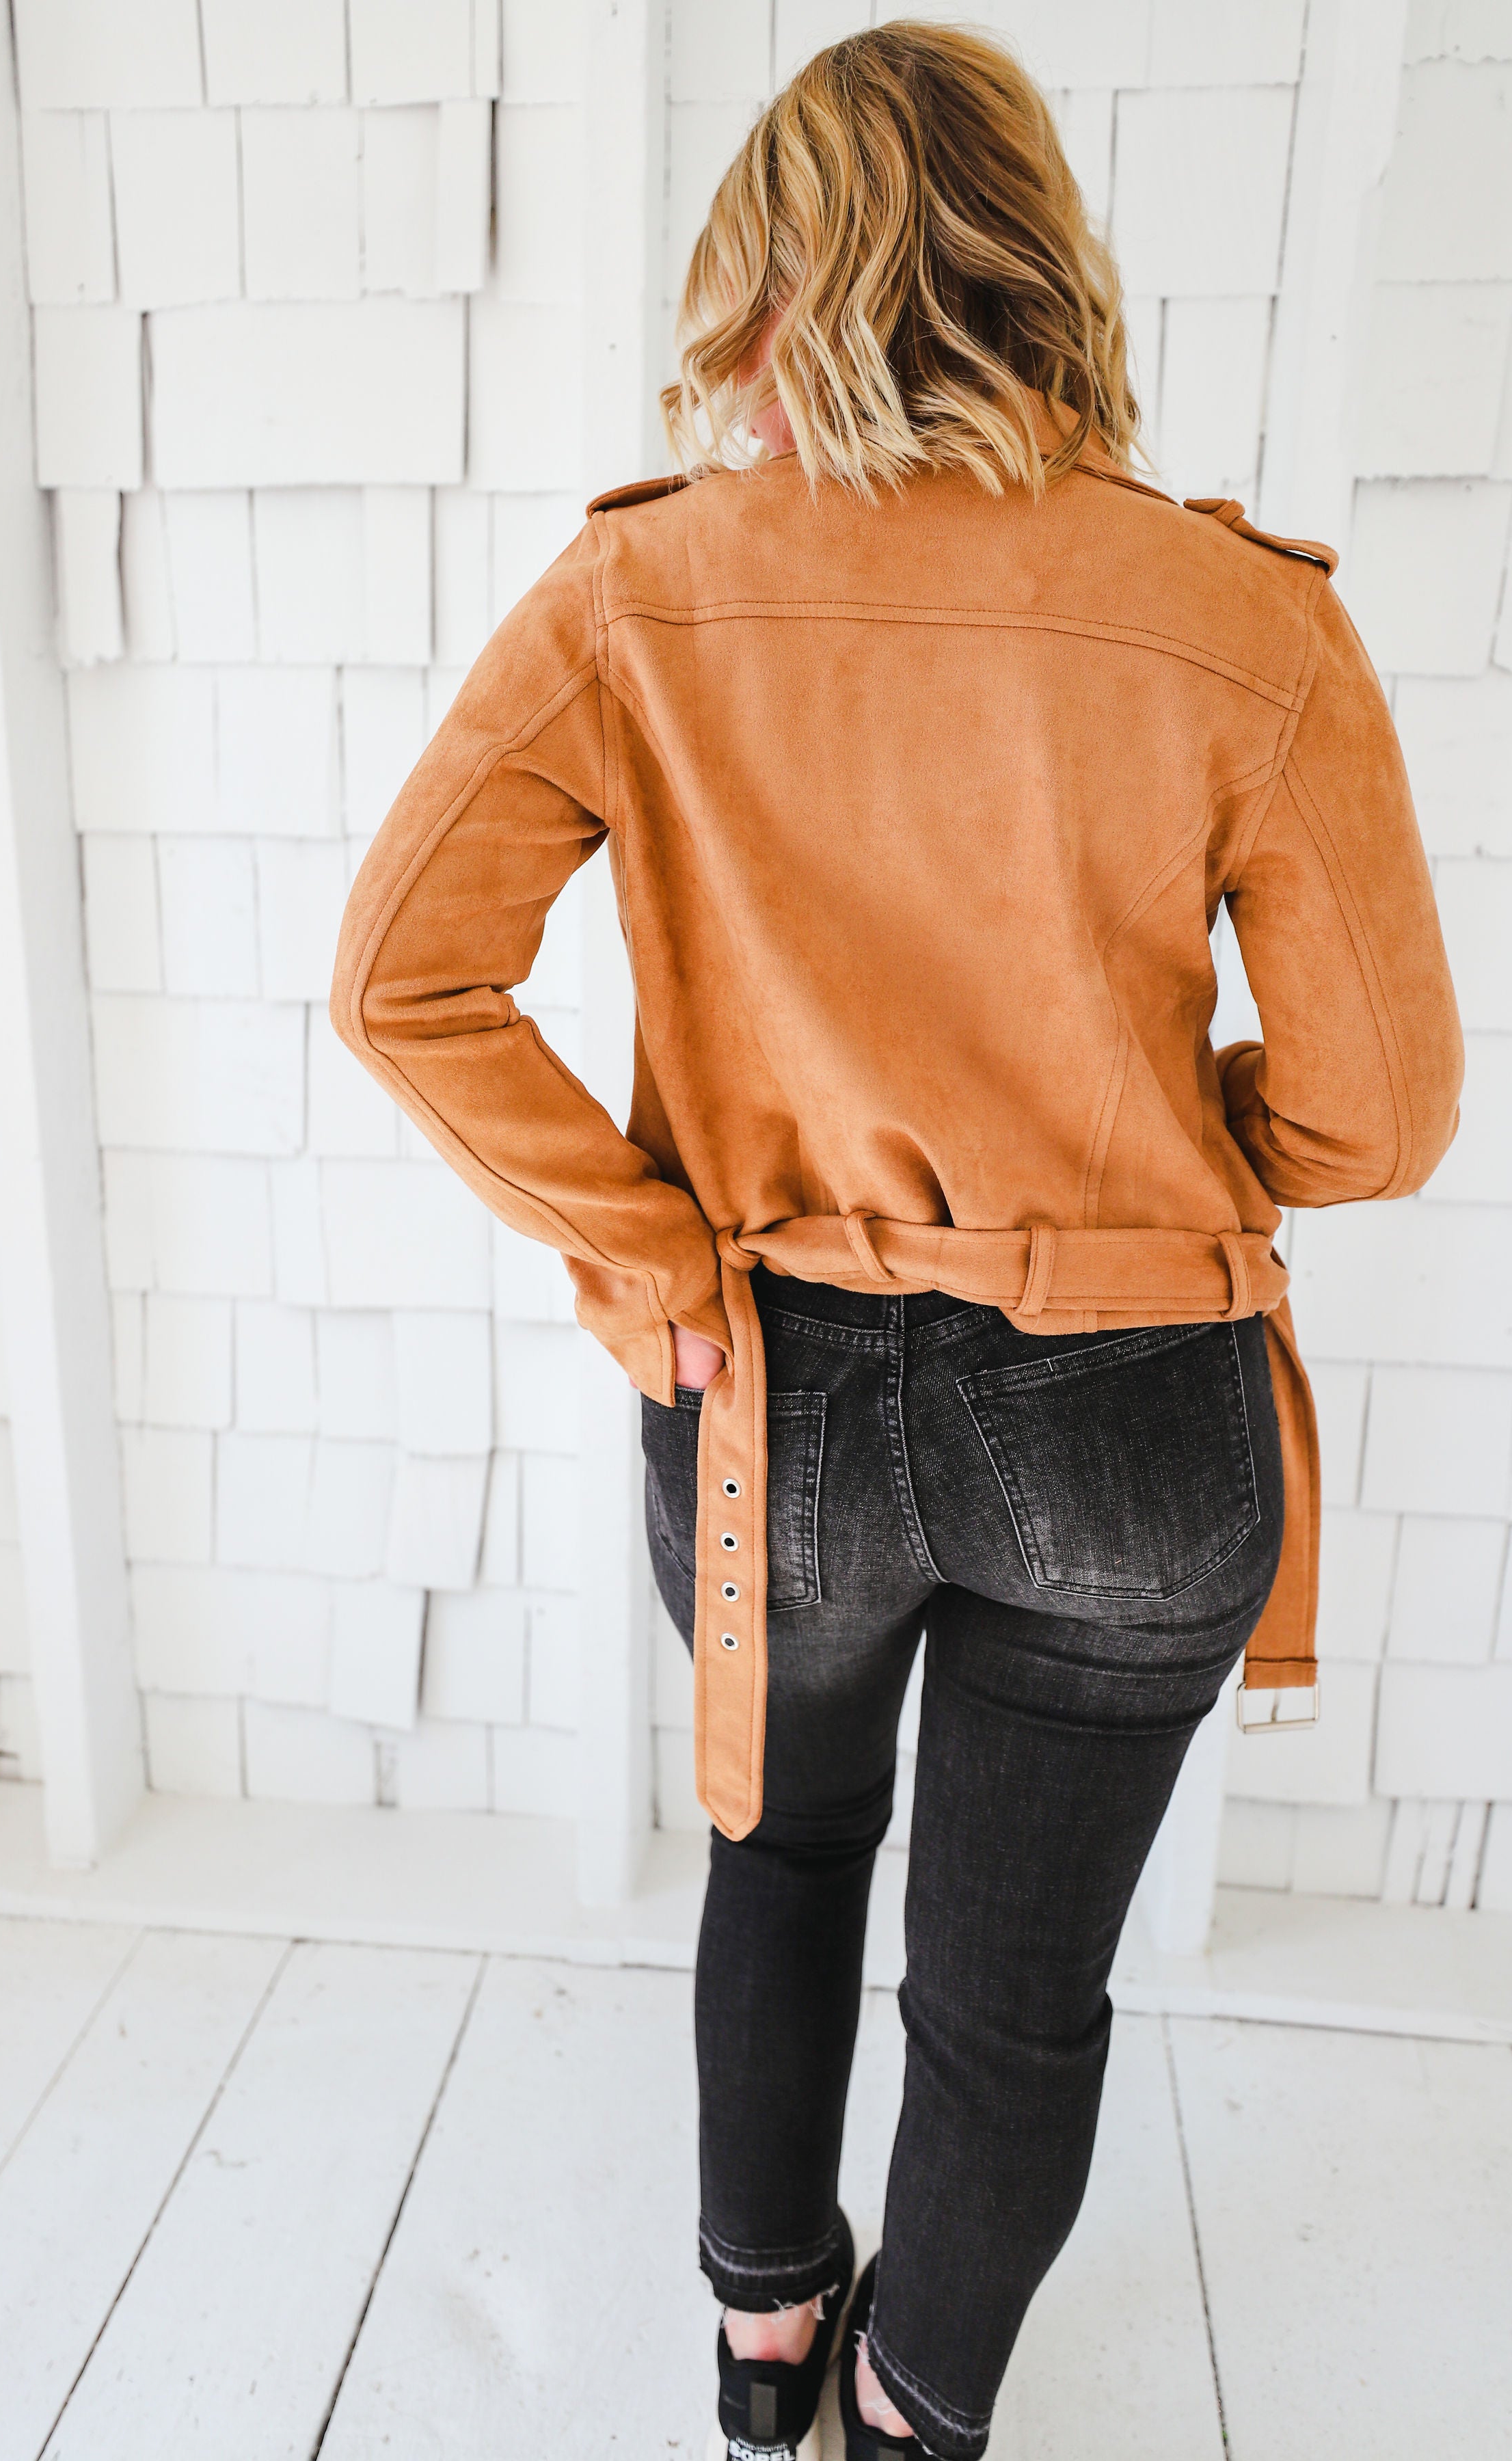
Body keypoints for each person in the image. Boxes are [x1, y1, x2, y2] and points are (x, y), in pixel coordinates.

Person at [332, 23, 1462, 2457]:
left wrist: (651, 1263)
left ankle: (765, 2352)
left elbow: (402, 978)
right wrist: (1176, 1153)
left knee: (786, 1849)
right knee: (1015, 1991)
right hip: (1131, 1409)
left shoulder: (638, 593)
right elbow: (1382, 1121)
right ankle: (913, 2416)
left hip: (772, 1388)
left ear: (769, 276)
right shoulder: (1240, 618)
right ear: (1046, 265)